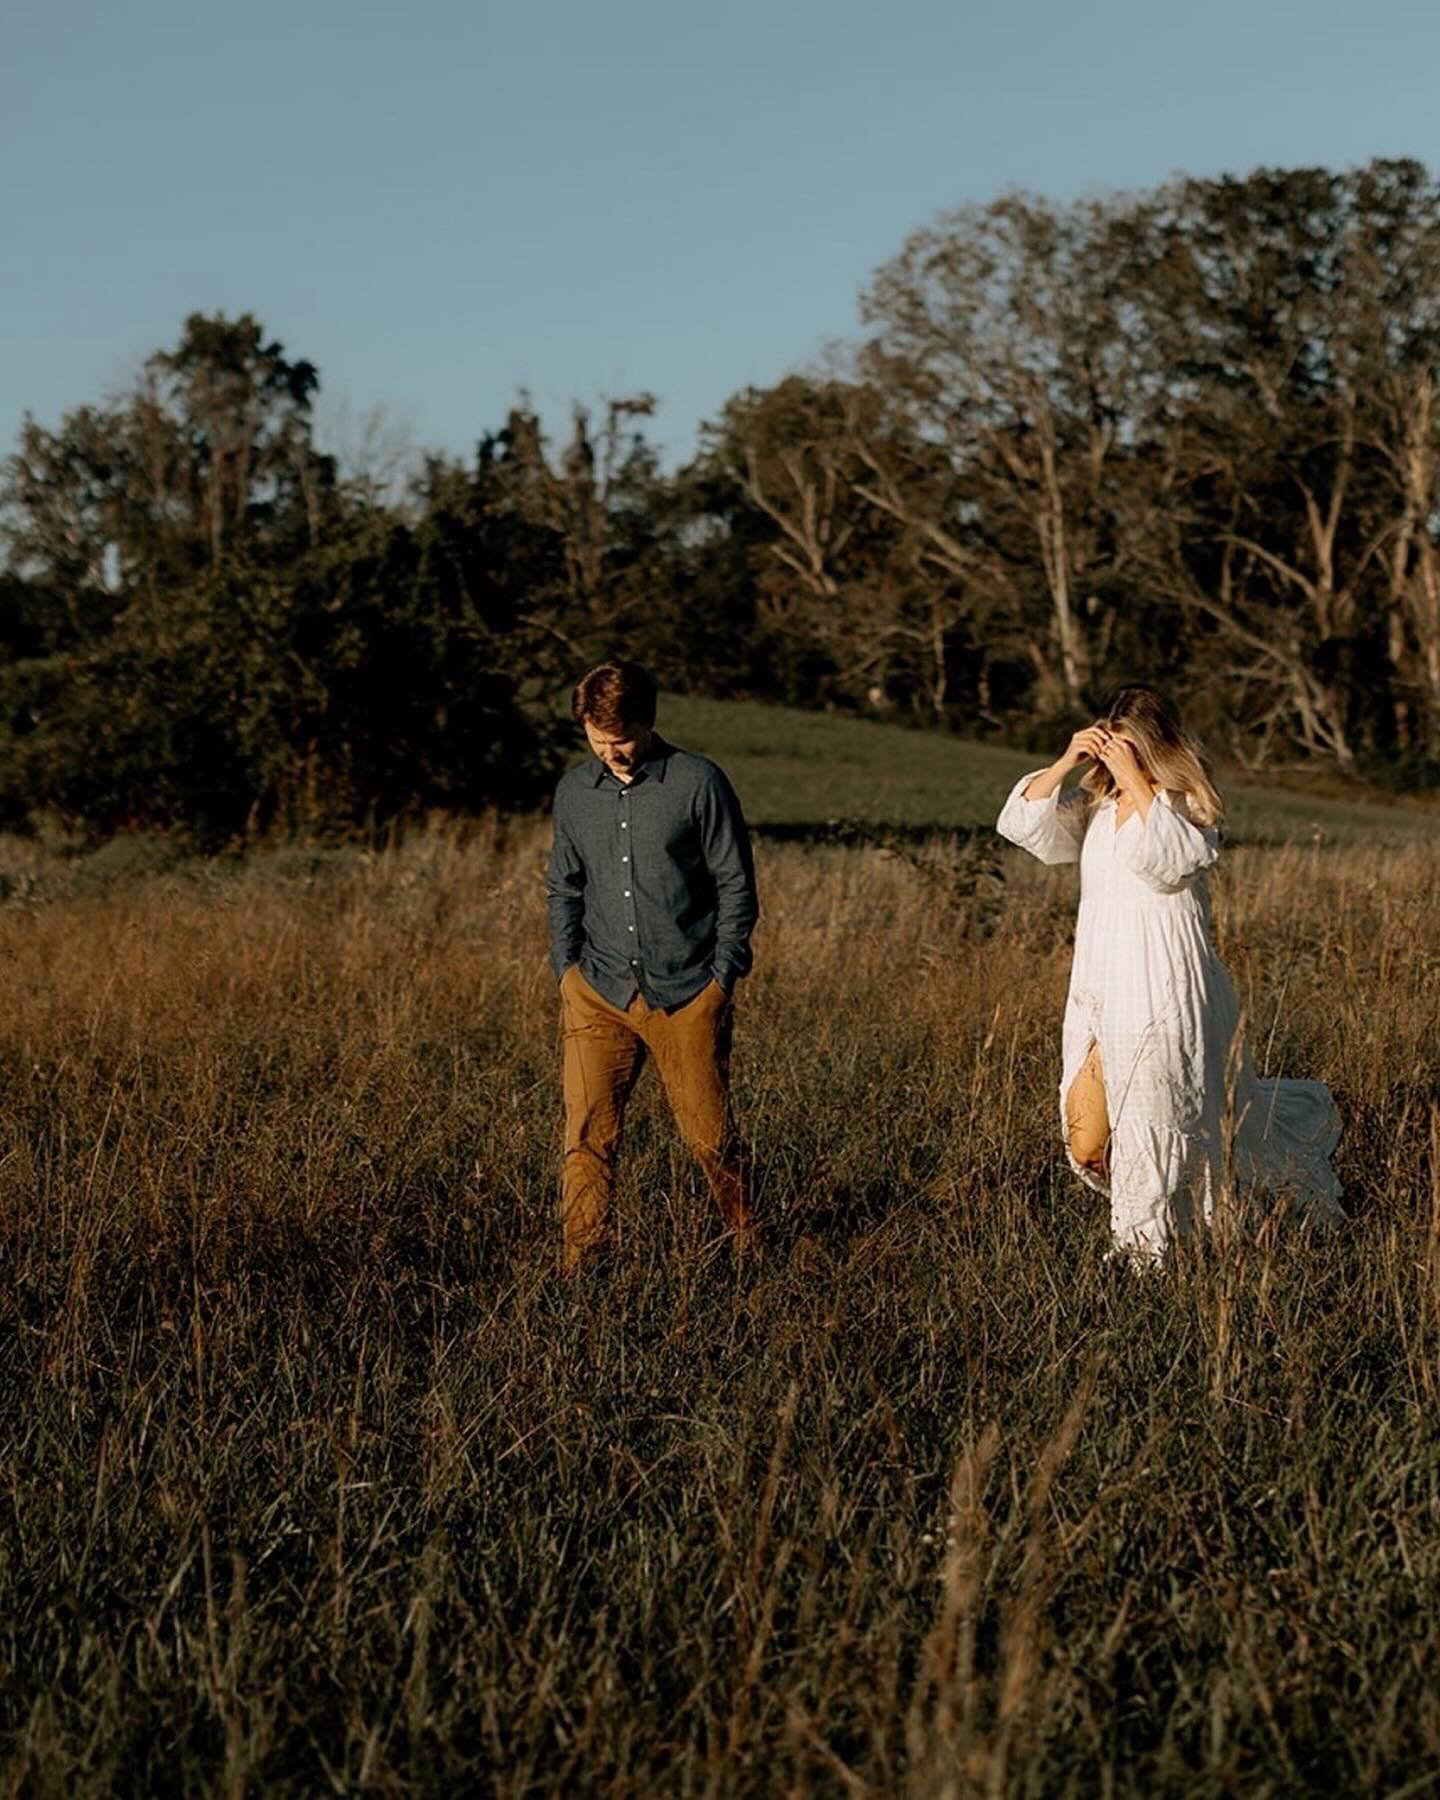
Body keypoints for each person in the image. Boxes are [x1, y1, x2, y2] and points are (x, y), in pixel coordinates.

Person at [996, 684, 1344, 1263]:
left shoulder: (1186, 804)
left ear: (1153, 745)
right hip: (1102, 986)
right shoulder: (1098, 807)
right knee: (1085, 1142)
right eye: (1110, 744)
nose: (1114, 757)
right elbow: (1025, 828)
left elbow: (1175, 862)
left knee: (1158, 1119)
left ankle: (1146, 1256)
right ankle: (1199, 1218)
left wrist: (1137, 775)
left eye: (1127, 746)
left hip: (1166, 987)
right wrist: (1066, 761)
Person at [545, 661, 759, 1274]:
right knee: (586, 1137)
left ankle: (750, 1243)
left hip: (688, 993)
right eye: (597, 739)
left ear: (648, 720)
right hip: (597, 991)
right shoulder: (573, 793)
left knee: (710, 1139)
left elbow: (736, 887)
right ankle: (581, 1263)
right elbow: (563, 885)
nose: (612, 752)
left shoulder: (698, 783)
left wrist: (722, 979)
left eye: (622, 738)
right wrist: (567, 969)